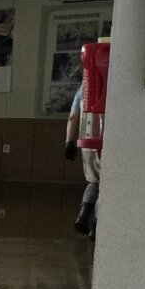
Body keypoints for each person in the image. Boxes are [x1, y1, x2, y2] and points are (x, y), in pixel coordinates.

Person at [64, 82, 98, 239]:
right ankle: (95, 226)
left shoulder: (83, 88)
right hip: (109, 144)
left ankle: (84, 214)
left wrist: (69, 143)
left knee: (94, 181)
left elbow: (72, 117)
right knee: (107, 184)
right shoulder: (113, 85)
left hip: (87, 143)